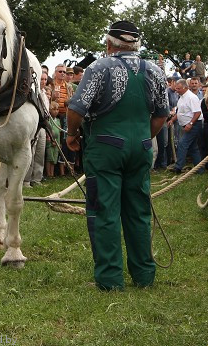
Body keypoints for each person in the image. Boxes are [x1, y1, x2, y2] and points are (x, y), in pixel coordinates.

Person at [65, 21, 169, 290]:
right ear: (136, 44)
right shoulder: (155, 70)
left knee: (104, 212)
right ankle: (144, 276)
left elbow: (76, 108)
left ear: (109, 43)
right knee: (138, 212)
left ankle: (110, 280)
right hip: (142, 146)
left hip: (106, 147)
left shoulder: (98, 68)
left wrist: (71, 133)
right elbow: (161, 115)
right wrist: (144, 137)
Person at [171, 79, 203, 174]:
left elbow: (197, 112)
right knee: (193, 148)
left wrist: (190, 124)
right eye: (176, 88)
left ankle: (178, 167)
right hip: (186, 125)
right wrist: (172, 120)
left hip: (193, 125)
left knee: (182, 144)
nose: (177, 90)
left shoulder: (191, 97)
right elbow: (179, 112)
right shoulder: (181, 98)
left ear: (185, 87)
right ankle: (199, 169)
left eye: (179, 88)